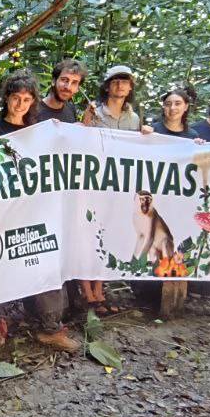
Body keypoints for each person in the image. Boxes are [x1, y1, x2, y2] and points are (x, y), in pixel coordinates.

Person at [0, 70, 79, 352]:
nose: (20, 104)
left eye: (27, 99)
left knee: (45, 262)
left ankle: (50, 327)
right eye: (16, 98)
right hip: (2, 212)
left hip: (36, 210)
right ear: (7, 98)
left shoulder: (39, 130)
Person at [80, 65, 142, 315]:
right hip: (94, 182)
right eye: (115, 81)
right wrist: (86, 119)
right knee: (88, 233)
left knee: (109, 234)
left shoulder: (134, 118)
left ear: (130, 87)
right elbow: (80, 139)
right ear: (107, 85)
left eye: (125, 81)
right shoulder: (95, 112)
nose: (120, 85)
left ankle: (100, 287)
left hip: (119, 186)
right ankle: (87, 291)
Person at [0, 68, 42, 135]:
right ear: (6, 97)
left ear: (32, 102)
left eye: (26, 100)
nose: (20, 104)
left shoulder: (34, 131)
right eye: (16, 98)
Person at [36, 58, 86, 124]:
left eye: (74, 83)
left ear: (77, 89)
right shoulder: (33, 110)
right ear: (53, 81)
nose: (68, 87)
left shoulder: (71, 109)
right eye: (64, 80)